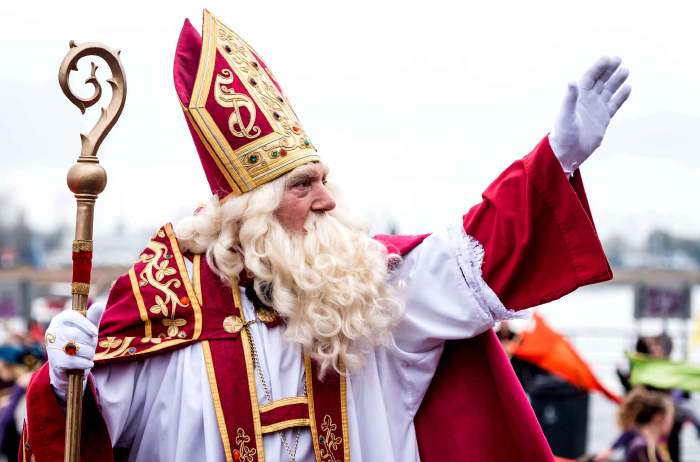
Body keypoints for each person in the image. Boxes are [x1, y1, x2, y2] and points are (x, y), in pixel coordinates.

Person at [21, 10, 631, 462]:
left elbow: (474, 255)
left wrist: (557, 159)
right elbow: (77, 433)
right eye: (304, 187)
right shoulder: (161, 307)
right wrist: (61, 377)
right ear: (253, 215)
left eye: (323, 180)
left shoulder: (365, 294)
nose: (328, 200)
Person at [620, 388, 674, 462]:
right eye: (671, 417)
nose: (672, 423)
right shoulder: (644, 449)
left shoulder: (649, 446)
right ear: (658, 418)